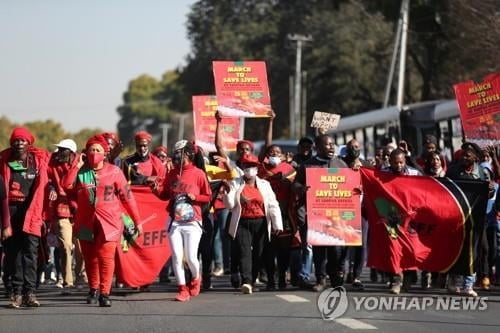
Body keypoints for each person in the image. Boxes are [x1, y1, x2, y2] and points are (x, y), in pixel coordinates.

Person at [62, 134, 142, 307]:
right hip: (85, 222)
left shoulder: (114, 171)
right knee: (90, 258)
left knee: (106, 258)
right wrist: (76, 165)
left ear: (105, 153)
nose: (94, 153)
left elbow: (128, 198)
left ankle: (105, 293)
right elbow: (66, 185)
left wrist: (137, 221)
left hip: (110, 222)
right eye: (91, 150)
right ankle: (93, 289)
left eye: (98, 150)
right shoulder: (82, 172)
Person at [151, 140, 211, 302]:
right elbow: (164, 194)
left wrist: (195, 197)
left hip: (193, 221)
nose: (176, 155)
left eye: (180, 152)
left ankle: (196, 279)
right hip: (174, 221)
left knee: (191, 257)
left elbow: (208, 196)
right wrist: (155, 188)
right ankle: (182, 289)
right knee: (177, 257)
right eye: (176, 152)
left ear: (189, 154)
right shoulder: (172, 173)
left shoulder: (198, 173)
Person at [0, 127, 51, 308]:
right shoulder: (4, 161)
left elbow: (51, 179)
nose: (19, 143)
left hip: (33, 212)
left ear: (29, 143)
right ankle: (16, 293)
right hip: (11, 211)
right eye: (16, 140)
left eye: (22, 141)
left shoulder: (38, 161)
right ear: (11, 143)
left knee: (31, 253)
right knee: (13, 254)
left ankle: (30, 293)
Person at [293, 134, 348, 292]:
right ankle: (321, 279)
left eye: (333, 144)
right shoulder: (308, 165)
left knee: (336, 249)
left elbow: (351, 185)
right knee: (319, 249)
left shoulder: (341, 164)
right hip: (316, 215)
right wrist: (301, 189)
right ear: (318, 147)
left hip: (336, 216)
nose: (331, 147)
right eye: (327, 144)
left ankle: (336, 278)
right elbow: (295, 184)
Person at [223, 153, 283, 294]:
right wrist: (228, 194)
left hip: (261, 222)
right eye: (246, 165)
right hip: (242, 222)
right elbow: (230, 206)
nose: (249, 168)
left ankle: (254, 278)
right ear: (242, 167)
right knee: (244, 252)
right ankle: (247, 282)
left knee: (259, 253)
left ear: (256, 168)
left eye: (252, 166)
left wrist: (277, 225)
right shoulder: (235, 183)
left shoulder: (264, 185)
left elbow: (273, 205)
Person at [446, 142, 494, 296]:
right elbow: (444, 190)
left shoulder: (482, 172)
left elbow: (490, 194)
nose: (464, 157)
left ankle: (468, 284)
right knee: (456, 249)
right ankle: (453, 281)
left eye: (468, 155)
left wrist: (490, 190)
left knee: (475, 249)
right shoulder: (453, 171)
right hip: (457, 218)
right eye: (463, 154)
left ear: (475, 157)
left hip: (476, 219)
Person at [380, 148, 422, 294]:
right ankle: (396, 279)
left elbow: (422, 192)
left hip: (410, 217)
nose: (398, 165)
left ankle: (409, 276)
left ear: (405, 161)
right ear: (389, 162)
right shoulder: (382, 173)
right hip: (390, 216)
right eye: (395, 162)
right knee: (394, 248)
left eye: (401, 162)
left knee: (410, 248)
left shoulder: (414, 173)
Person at [47, 139, 81, 291]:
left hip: (81, 211)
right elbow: (47, 180)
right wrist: (52, 188)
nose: (59, 152)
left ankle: (82, 277)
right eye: (59, 149)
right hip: (62, 210)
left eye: (63, 149)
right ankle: (68, 281)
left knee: (82, 248)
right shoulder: (52, 163)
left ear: (71, 153)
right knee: (66, 246)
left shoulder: (82, 163)